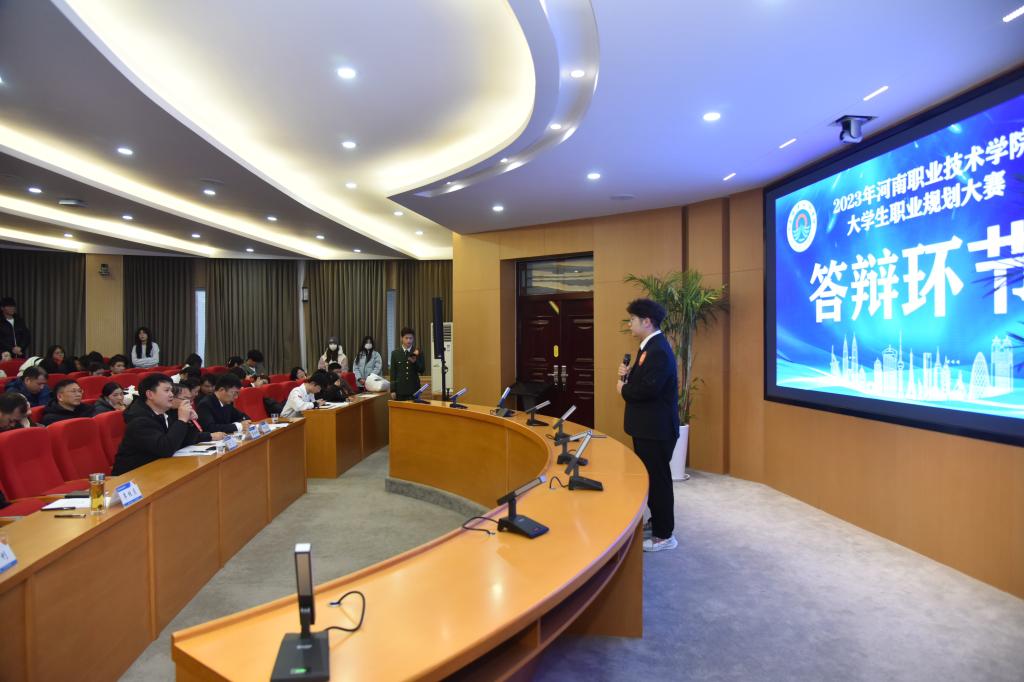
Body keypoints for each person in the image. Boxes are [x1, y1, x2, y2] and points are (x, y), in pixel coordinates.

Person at [617, 298, 680, 553]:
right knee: (652, 479)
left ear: (647, 321)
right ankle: (657, 522)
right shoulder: (649, 347)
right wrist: (627, 376)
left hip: (656, 430)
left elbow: (648, 390)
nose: (629, 324)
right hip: (648, 428)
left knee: (658, 481)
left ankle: (665, 535)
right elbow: (645, 382)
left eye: (632, 319)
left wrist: (623, 389)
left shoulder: (658, 351)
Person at [110, 374, 195, 475]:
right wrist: (182, 420)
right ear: (150, 394)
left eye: (171, 391)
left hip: (156, 469)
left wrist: (188, 420)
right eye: (167, 390)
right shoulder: (139, 420)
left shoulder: (163, 413)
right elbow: (165, 449)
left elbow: (184, 441)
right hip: (133, 476)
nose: (172, 395)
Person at [390, 327, 425, 400]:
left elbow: (422, 370)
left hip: (414, 389)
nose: (409, 340)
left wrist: (415, 362)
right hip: (400, 390)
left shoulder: (418, 352)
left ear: (413, 339)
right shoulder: (395, 353)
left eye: (411, 338)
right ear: (401, 338)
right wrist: (392, 390)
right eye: (406, 338)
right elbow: (393, 373)